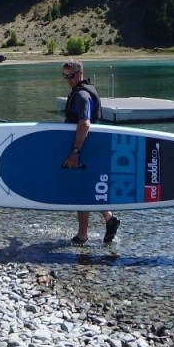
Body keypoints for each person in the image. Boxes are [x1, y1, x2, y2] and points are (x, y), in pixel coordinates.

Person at [61, 59, 120, 245]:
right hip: (90, 147)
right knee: (87, 188)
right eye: (65, 76)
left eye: (71, 76)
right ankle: (110, 219)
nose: (68, 80)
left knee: (81, 191)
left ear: (80, 72)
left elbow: (85, 123)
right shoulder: (82, 91)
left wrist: (75, 151)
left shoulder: (82, 96)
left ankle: (82, 235)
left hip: (84, 148)